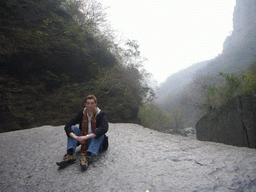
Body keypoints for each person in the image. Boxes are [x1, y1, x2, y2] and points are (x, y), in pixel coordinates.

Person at [56, 95, 108, 170]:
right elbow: (67, 126)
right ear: (85, 104)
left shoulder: (100, 114)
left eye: (92, 103)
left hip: (94, 140)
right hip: (83, 138)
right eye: (88, 103)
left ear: (95, 104)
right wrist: (76, 137)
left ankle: (87, 157)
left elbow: (104, 128)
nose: (90, 105)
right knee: (72, 128)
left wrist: (86, 137)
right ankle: (70, 154)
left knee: (100, 133)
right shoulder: (82, 113)